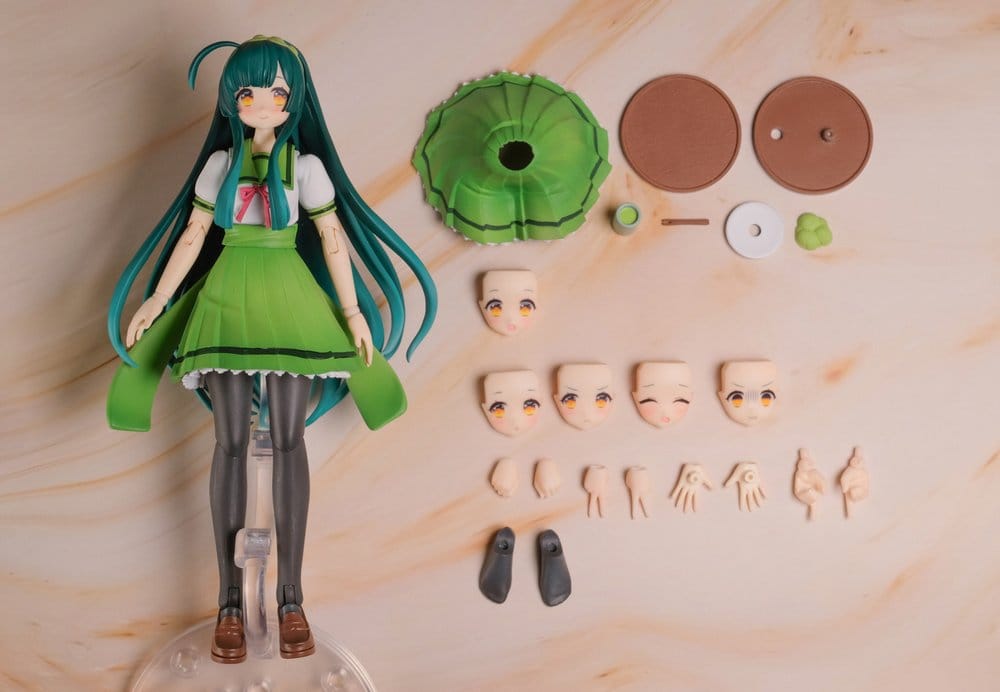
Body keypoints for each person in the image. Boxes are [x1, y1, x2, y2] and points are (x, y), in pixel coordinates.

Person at [107, 36, 436, 663]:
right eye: (249, 93)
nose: (262, 104)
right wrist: (157, 299)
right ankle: (229, 604)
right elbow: (193, 234)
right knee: (229, 441)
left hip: (290, 301)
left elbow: (332, 238)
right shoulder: (219, 166)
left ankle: (291, 600)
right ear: (231, 100)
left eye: (277, 93)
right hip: (227, 299)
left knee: (289, 439)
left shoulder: (305, 168)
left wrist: (350, 311)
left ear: (295, 100)